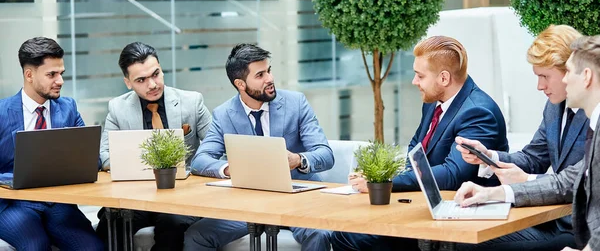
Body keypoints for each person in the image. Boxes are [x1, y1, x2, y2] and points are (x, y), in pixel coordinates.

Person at [331, 35, 508, 251]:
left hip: (463, 218)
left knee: (349, 237)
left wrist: (385, 182)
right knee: (346, 231)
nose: (414, 82)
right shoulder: (435, 101)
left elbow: (453, 174)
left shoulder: (477, 112)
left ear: (444, 78)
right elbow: (417, 148)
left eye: (420, 76)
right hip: (426, 206)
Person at [455, 35, 600, 251]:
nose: (539, 86)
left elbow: (571, 182)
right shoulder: (554, 108)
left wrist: (523, 180)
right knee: (464, 238)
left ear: (584, 75)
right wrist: (491, 157)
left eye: (545, 76)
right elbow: (534, 157)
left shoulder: (591, 113)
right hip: (548, 219)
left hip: (574, 227)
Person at [184, 43, 334, 251]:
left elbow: (325, 155)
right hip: (247, 204)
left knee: (320, 233)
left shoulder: (296, 103)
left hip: (297, 199)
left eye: (269, 71)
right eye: (260, 75)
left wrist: (298, 160)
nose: (270, 79)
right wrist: (228, 169)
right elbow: (200, 160)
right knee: (197, 236)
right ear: (240, 84)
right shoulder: (223, 114)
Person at [96, 42, 213, 251]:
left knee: (171, 223)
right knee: (111, 220)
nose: (152, 84)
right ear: (128, 83)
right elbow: (104, 155)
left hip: (181, 195)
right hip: (138, 194)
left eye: (156, 74)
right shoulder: (118, 108)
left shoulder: (192, 102)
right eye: (141, 80)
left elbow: (216, 147)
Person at [0, 37, 103, 250]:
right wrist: (19, 179)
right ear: (29, 75)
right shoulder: (2, 113)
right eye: (51, 74)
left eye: (61, 73)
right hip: (13, 205)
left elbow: (91, 158)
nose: (60, 80)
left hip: (58, 203)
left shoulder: (68, 108)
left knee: (92, 247)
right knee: (36, 246)